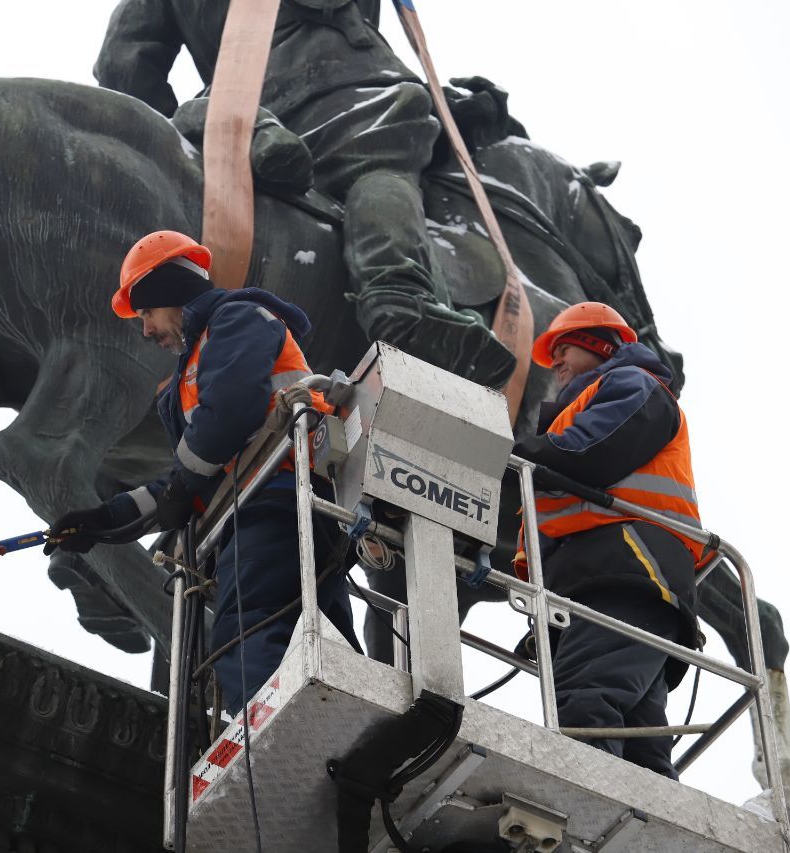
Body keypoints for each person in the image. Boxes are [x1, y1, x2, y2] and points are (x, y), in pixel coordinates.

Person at [94, 0, 515, 387]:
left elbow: (123, 64)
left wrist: (179, 146)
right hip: (349, 86)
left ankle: (256, 132)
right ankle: (398, 298)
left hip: (235, 115)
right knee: (377, 160)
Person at [45, 230, 359, 711]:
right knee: (327, 648)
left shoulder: (236, 318)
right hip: (285, 505)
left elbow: (230, 411)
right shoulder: (196, 365)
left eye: (147, 312)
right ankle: (356, 741)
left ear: (169, 292)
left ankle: (277, 741)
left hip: (274, 499)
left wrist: (183, 484)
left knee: (244, 634)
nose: (146, 331)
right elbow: (188, 482)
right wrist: (104, 520)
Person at [513, 302, 702, 778]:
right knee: (642, 747)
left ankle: (582, 807)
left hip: (628, 570)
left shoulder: (633, 384)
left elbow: (592, 451)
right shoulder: (575, 410)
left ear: (600, 345)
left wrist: (508, 449)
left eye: (564, 347)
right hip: (606, 581)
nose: (555, 361)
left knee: (585, 704)